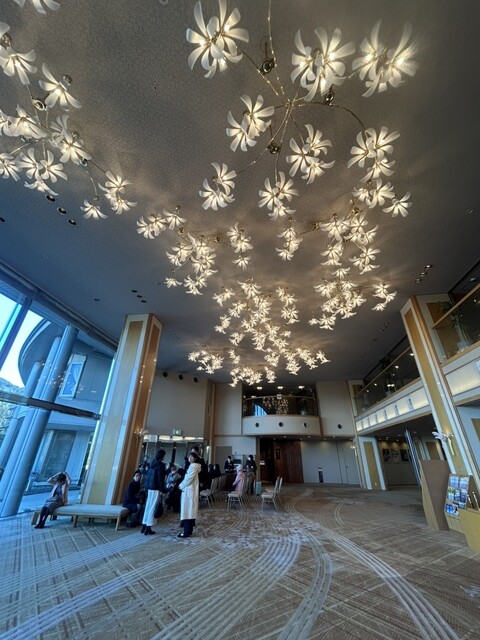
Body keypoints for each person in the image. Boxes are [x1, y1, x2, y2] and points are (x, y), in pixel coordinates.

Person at [141, 449, 166, 535]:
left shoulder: (152, 463)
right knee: (152, 507)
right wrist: (162, 490)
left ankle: (144, 525)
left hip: (150, 488)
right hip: (156, 488)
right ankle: (148, 528)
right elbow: (160, 479)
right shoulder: (160, 465)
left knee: (148, 506)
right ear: (162, 456)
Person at [178, 451, 200, 538]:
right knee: (189, 512)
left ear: (195, 458)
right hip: (190, 491)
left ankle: (186, 532)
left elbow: (189, 479)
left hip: (189, 491)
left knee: (187, 511)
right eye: (189, 456)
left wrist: (181, 485)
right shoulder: (192, 466)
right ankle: (189, 531)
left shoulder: (193, 467)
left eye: (192, 457)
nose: (189, 458)